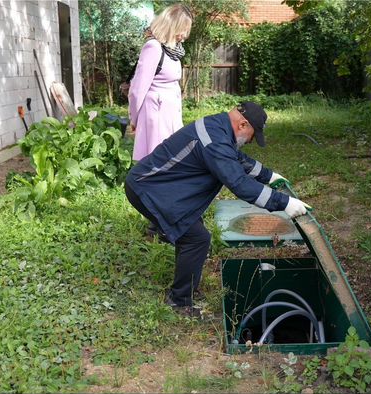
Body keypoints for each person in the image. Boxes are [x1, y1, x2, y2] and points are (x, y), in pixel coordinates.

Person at [124, 102, 311, 317]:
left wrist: (269, 176)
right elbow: (239, 183)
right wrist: (285, 203)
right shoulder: (215, 142)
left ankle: (184, 284)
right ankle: (179, 303)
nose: (250, 141)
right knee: (196, 238)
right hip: (148, 189)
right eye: (252, 135)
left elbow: (236, 159)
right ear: (242, 124)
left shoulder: (219, 127)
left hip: (158, 186)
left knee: (193, 232)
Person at [128, 3, 193, 160]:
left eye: (187, 30)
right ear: (172, 25)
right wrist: (134, 119)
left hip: (170, 114)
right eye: (183, 29)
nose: (185, 35)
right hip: (156, 116)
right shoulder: (153, 47)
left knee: (170, 161)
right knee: (157, 162)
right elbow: (138, 89)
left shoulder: (172, 50)